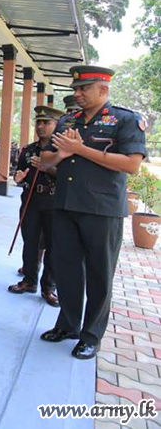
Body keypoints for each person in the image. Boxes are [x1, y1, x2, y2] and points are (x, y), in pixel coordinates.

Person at [39, 66, 145, 360]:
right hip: (65, 206)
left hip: (101, 210)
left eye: (84, 89)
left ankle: (91, 336)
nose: (77, 94)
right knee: (66, 270)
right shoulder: (68, 120)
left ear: (103, 90)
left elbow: (131, 165)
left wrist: (80, 149)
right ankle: (68, 325)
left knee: (99, 274)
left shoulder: (125, 120)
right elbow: (46, 159)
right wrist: (61, 154)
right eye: (76, 89)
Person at [7, 106, 64, 307]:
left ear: (57, 125)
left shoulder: (62, 150)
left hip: (54, 201)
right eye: (38, 122)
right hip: (31, 201)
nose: (41, 126)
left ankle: (48, 287)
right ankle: (29, 280)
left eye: (46, 123)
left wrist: (48, 168)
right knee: (30, 242)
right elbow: (20, 175)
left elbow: (68, 178)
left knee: (54, 246)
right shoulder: (28, 150)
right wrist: (19, 179)